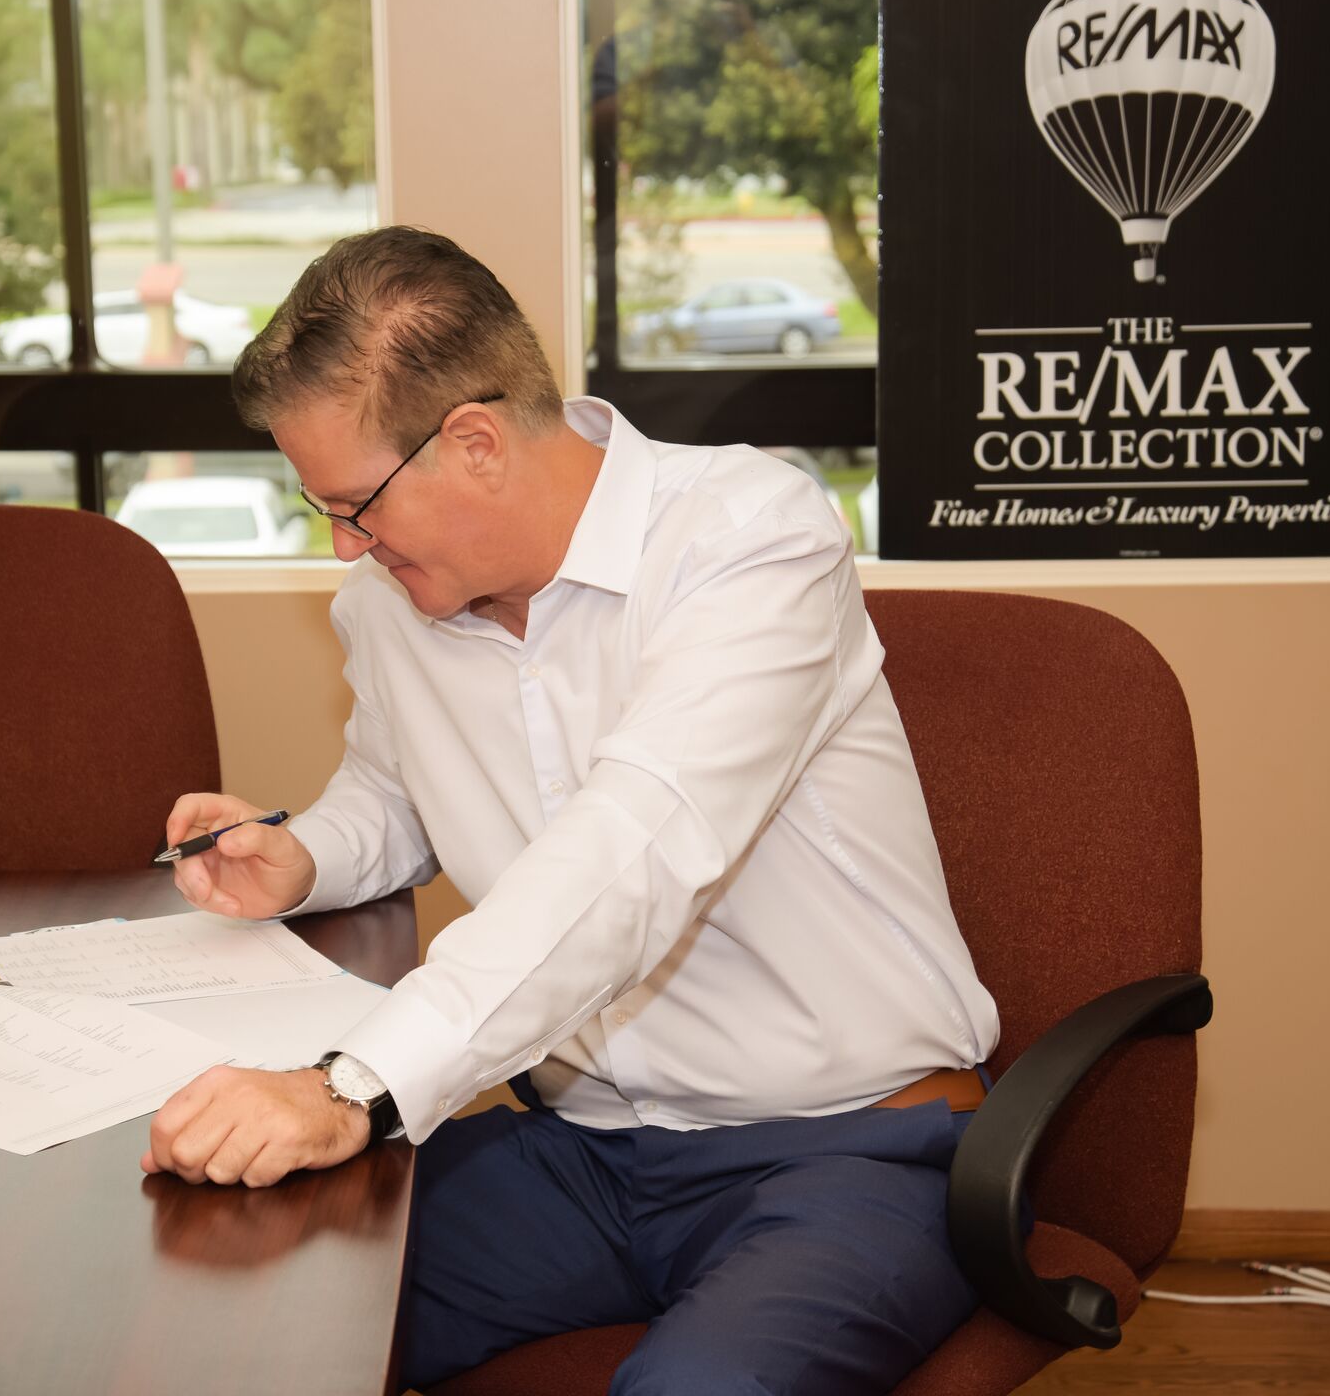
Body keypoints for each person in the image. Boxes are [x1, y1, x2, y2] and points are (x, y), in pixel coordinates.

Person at [142, 225, 1001, 1395]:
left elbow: (631, 853)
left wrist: (353, 1087)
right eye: (322, 509)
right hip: (584, 1149)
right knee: (233, 1310)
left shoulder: (748, 539)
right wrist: (305, 855)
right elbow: (397, 798)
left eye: (355, 505)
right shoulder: (392, 605)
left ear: (475, 442)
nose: (344, 545)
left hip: (848, 1145)